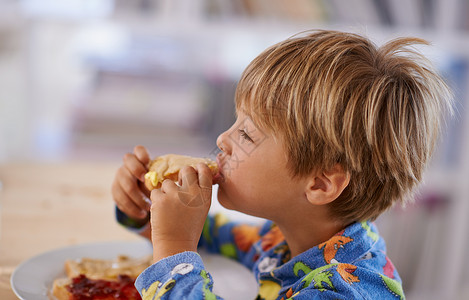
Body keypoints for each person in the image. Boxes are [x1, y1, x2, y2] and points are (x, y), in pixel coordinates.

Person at [111, 29, 452, 299]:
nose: (222, 140)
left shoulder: (346, 291)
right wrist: (145, 210)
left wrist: (173, 248)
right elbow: (205, 236)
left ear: (320, 184)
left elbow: (182, 241)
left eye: (246, 135)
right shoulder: (284, 240)